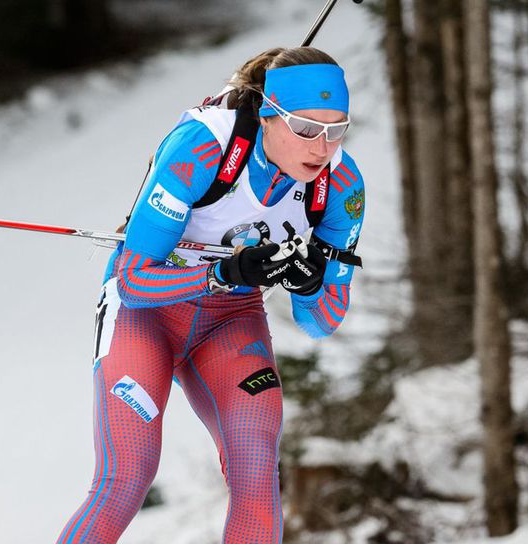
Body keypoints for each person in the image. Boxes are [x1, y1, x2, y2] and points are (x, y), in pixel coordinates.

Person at [57, 46, 366, 544]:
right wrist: (222, 273)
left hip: (230, 321)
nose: (322, 147)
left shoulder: (342, 186)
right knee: (128, 475)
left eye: (336, 129)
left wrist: (308, 284)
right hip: (146, 316)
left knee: (257, 471)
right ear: (268, 114)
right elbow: (133, 282)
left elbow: (321, 321)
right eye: (307, 128)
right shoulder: (202, 146)